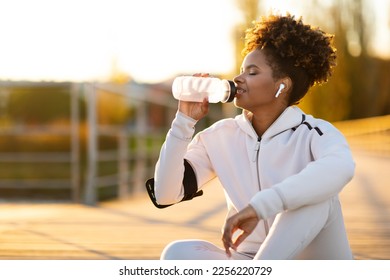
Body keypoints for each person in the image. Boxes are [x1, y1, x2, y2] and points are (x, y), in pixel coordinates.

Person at [145, 13, 355, 260]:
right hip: (249, 258)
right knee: (178, 253)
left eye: (252, 72)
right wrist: (184, 121)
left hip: (311, 262)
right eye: (241, 70)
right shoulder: (219, 136)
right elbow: (165, 193)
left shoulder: (315, 133)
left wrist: (262, 206)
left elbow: (341, 168)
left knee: (319, 196)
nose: (238, 78)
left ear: (282, 86)